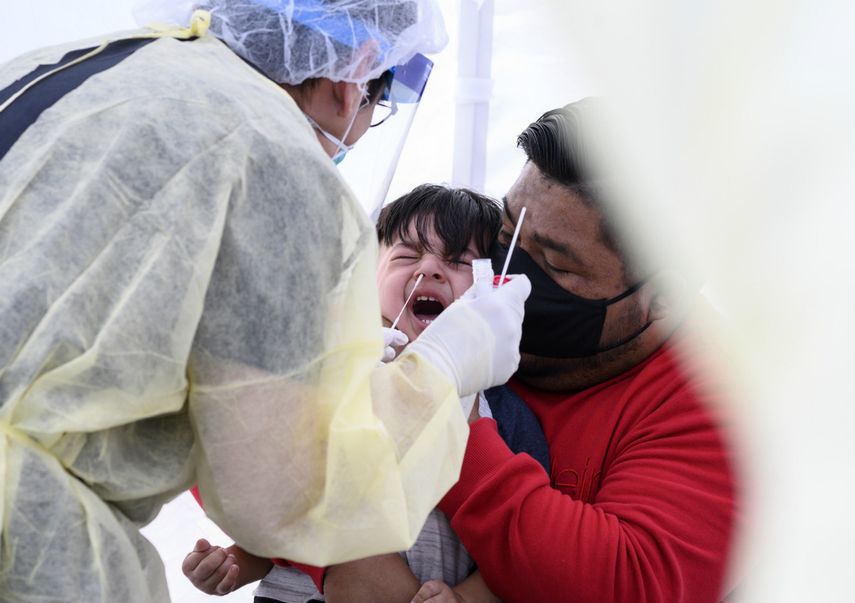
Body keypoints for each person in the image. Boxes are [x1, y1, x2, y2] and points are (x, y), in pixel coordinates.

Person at [0, 2, 532, 601]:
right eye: (377, 103)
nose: (359, 128)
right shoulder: (279, 163)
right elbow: (289, 495)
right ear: (355, 69)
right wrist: (444, 365)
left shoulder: (71, 69)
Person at [409, 99, 738, 602]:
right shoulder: (464, 297)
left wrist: (447, 428)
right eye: (507, 232)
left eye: (557, 265)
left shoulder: (721, 403)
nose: (511, 271)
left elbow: (625, 581)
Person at [181, 184, 549, 603]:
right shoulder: (326, 373)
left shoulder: (501, 411)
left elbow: (522, 545)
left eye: (457, 261)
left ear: (490, 284)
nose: (428, 269)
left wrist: (466, 597)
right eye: (407, 255)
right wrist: (235, 563)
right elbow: (287, 503)